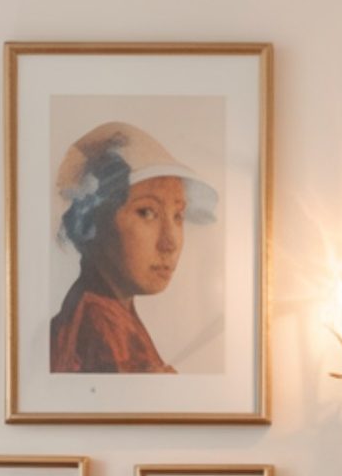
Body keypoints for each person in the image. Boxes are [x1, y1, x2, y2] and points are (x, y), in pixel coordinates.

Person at [49, 121, 217, 375]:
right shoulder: (98, 329)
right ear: (93, 220)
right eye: (147, 212)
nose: (169, 242)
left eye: (178, 216)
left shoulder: (110, 315)